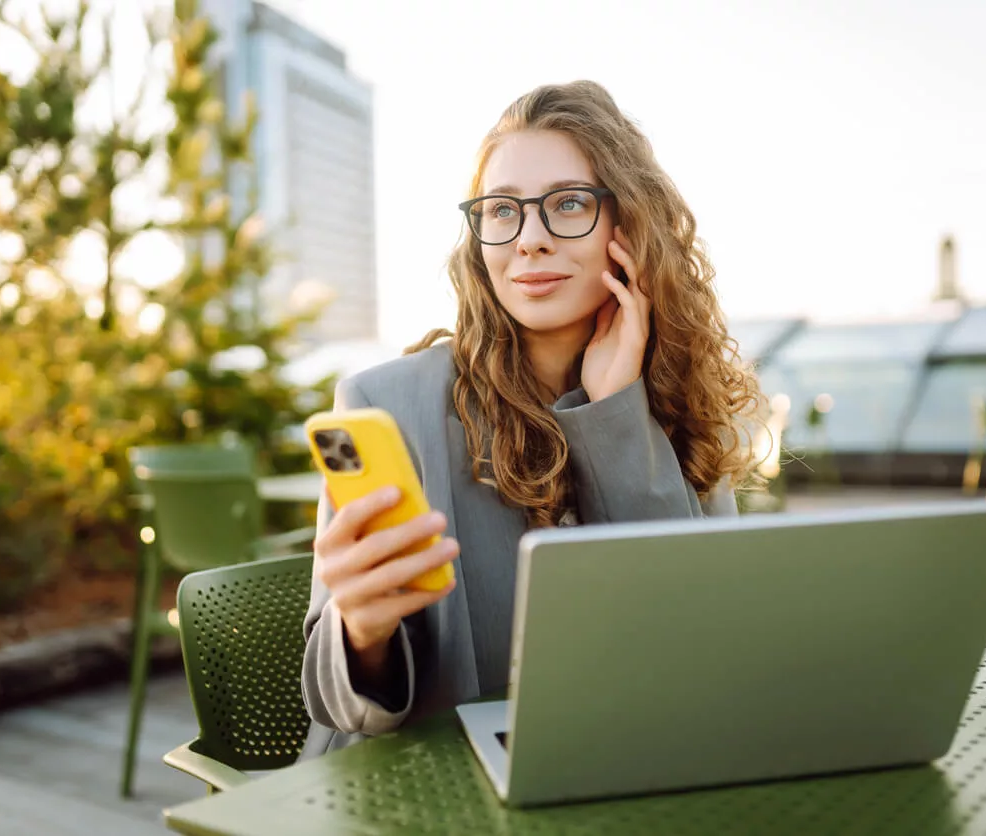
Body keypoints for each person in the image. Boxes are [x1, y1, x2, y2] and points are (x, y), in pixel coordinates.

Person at [299, 80, 761, 758]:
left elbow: (695, 635)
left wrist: (614, 415)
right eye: (501, 211)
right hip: (431, 793)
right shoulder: (384, 403)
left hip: (630, 767)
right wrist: (360, 632)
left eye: (568, 204)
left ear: (627, 227)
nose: (530, 240)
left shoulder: (680, 403)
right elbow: (336, 707)